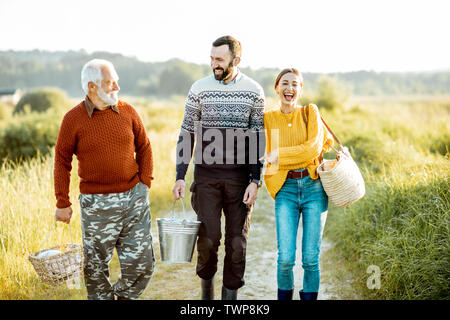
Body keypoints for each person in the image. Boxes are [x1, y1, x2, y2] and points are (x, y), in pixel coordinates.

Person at [172, 35, 265, 300]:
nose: (214, 64)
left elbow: (258, 137)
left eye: (220, 59)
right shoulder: (199, 88)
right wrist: (180, 176)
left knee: (237, 243)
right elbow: (187, 132)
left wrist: (255, 181)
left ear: (236, 60)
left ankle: (230, 302)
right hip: (206, 178)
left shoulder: (253, 91)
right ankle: (206, 301)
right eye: (212, 58)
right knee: (209, 240)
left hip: (239, 180)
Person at [54, 59, 155, 300]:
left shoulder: (128, 111)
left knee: (143, 266)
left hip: (134, 199)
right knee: (96, 270)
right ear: (92, 86)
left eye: (116, 81)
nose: (116, 87)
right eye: (111, 83)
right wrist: (62, 202)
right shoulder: (73, 119)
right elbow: (61, 161)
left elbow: (145, 147)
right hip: (96, 204)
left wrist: (145, 183)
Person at [260, 68, 334, 300]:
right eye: (285, 83)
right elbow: (262, 154)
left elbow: (313, 148)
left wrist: (279, 155)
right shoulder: (268, 118)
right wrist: (271, 179)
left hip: (314, 188)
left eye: (294, 84)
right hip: (286, 189)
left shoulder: (310, 112)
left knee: (310, 259)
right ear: (277, 88)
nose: (289, 88)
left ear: (300, 90)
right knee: (285, 259)